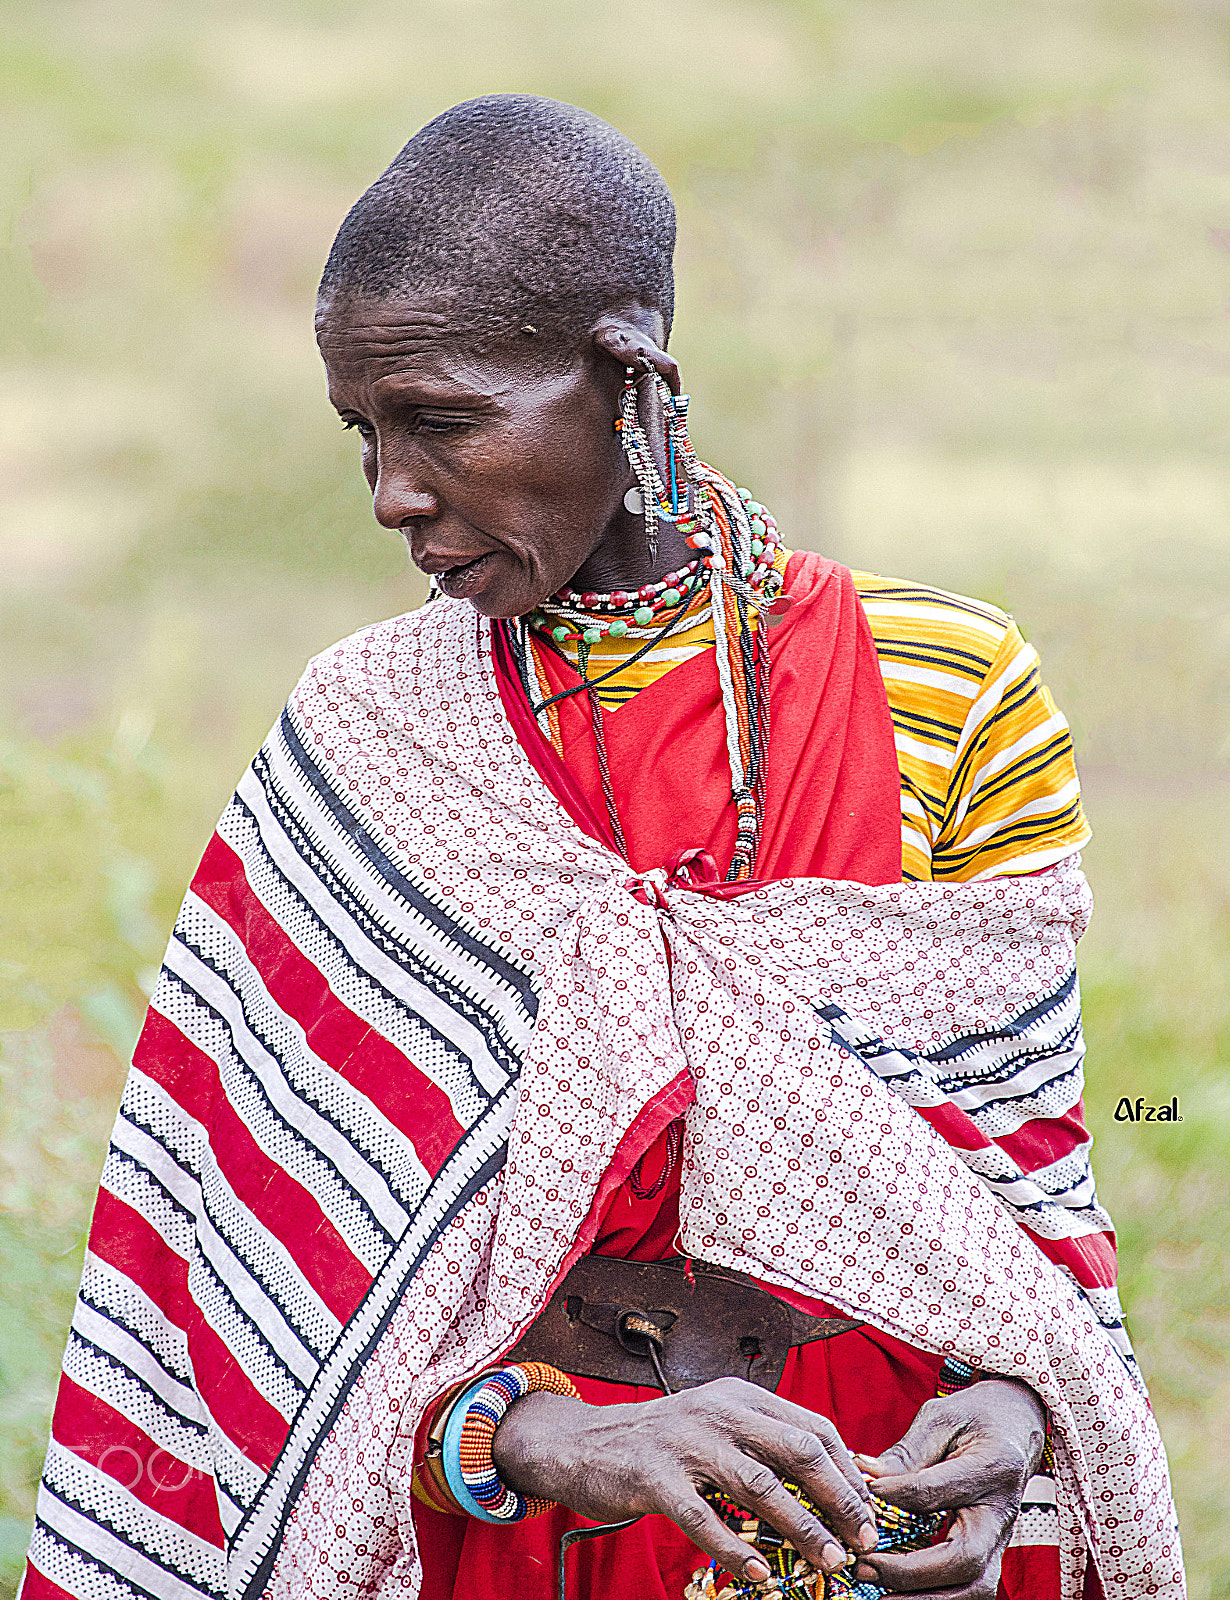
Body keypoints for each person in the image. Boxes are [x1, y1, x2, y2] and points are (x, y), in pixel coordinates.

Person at [21, 96, 1181, 1600]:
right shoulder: (371, 743)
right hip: (519, 1520)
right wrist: (522, 1436)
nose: (392, 493)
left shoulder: (944, 688)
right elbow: (265, 1311)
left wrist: (1022, 1408)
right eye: (364, 434)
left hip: (870, 1513)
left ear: (627, 374)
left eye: (439, 421)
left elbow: (1027, 1184)